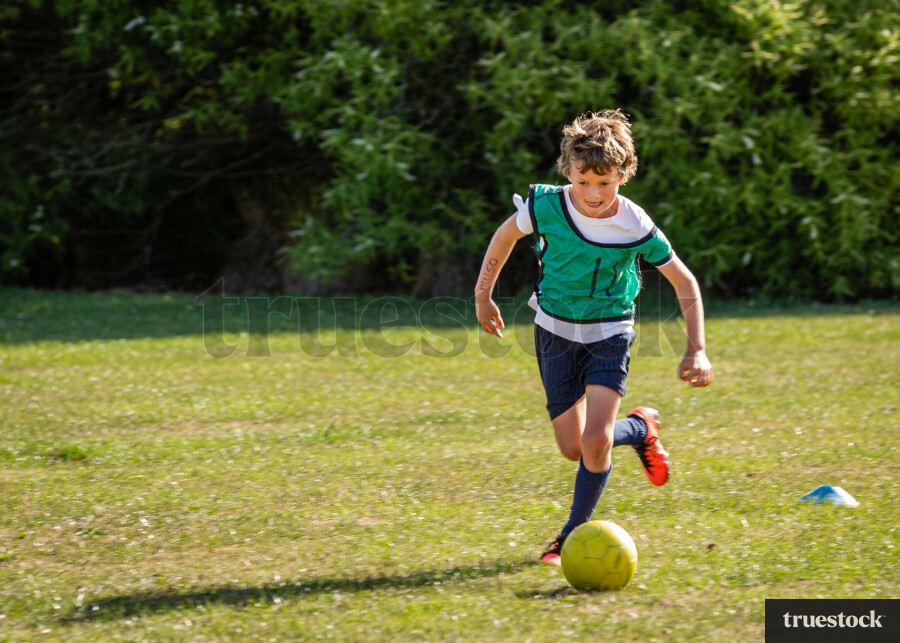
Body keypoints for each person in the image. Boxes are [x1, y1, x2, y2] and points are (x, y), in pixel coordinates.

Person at [474, 109, 713, 566]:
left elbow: (685, 282)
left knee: (596, 441)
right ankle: (641, 428)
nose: (593, 194)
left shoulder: (635, 224)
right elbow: (504, 237)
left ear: (624, 174)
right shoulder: (545, 206)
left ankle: (569, 536)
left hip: (610, 333)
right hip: (554, 333)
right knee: (573, 448)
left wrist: (696, 350)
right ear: (569, 173)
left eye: (605, 182)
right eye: (583, 181)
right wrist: (483, 296)